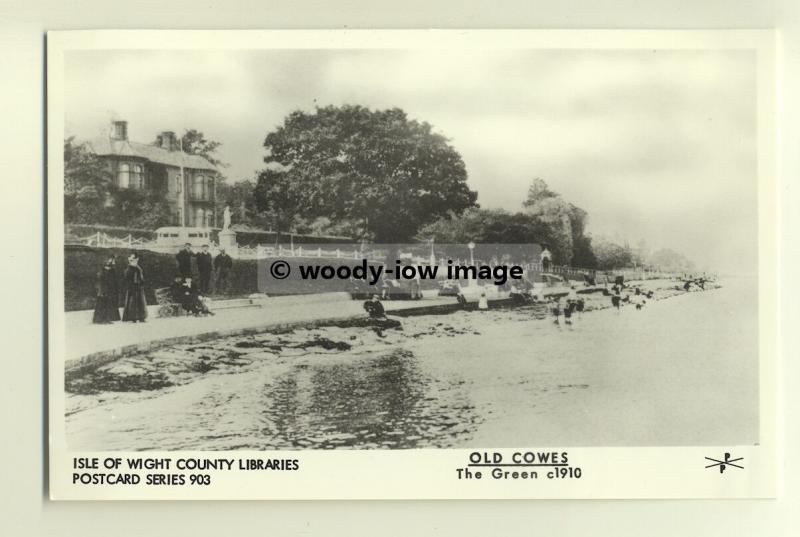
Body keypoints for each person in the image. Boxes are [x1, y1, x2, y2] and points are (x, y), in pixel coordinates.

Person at [92, 256, 120, 324]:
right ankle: (101, 319)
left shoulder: (111, 270)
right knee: (102, 304)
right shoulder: (103, 270)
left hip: (109, 290)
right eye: (111, 260)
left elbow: (113, 280)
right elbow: (100, 280)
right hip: (103, 290)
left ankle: (107, 318)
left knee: (108, 304)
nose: (113, 262)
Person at [122, 253, 147, 322]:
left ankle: (141, 317)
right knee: (132, 302)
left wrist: (141, 283)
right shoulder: (129, 269)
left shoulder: (138, 268)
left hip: (138, 287)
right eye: (132, 259)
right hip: (132, 287)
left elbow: (141, 277)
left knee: (140, 302)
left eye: (135, 259)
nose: (134, 261)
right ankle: (133, 317)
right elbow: (127, 278)